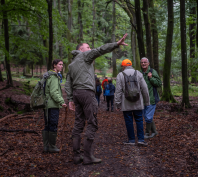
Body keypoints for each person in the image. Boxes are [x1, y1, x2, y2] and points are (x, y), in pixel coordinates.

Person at [65, 34, 128, 165]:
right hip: (87, 94)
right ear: (81, 50)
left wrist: (70, 98)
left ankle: (77, 156)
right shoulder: (85, 56)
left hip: (77, 94)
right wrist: (116, 44)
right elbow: (100, 50)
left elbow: (68, 84)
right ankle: (88, 156)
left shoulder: (71, 64)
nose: (90, 48)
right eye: (87, 47)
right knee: (92, 123)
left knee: (78, 124)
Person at [114, 59, 150, 146]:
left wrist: (118, 104)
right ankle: (141, 139)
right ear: (131, 65)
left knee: (129, 121)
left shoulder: (120, 75)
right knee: (139, 120)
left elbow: (118, 91)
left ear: (123, 66)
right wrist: (147, 102)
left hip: (126, 103)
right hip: (138, 102)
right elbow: (145, 88)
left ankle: (131, 140)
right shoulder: (138, 73)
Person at [42, 59, 67, 153]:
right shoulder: (53, 77)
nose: (62, 66)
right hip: (52, 105)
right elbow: (53, 92)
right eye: (60, 64)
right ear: (54, 65)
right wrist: (61, 101)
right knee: (53, 124)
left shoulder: (48, 75)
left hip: (47, 104)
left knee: (47, 124)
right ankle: (51, 146)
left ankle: (46, 146)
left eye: (62, 65)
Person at [140, 57, 162, 139]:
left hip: (151, 98)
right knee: (146, 116)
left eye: (145, 62)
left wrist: (151, 78)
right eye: (142, 62)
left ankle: (146, 133)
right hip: (142, 99)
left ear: (148, 63)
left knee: (148, 117)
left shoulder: (152, 72)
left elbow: (159, 83)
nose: (143, 64)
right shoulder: (139, 73)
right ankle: (154, 132)